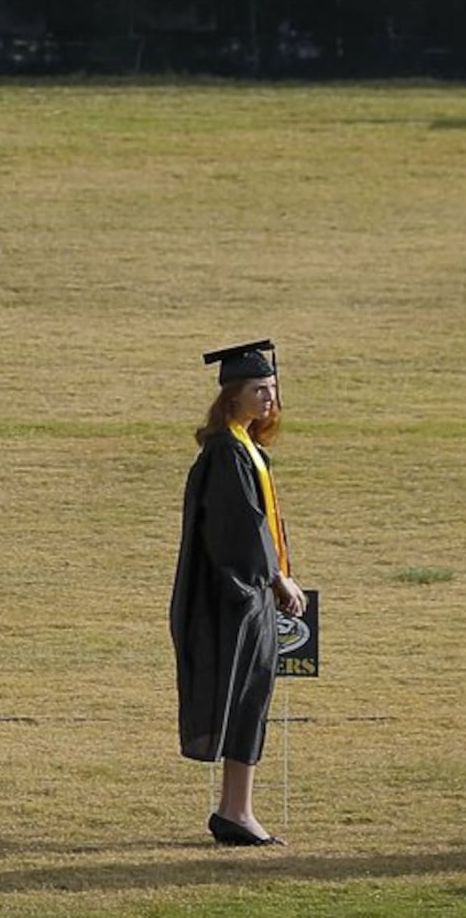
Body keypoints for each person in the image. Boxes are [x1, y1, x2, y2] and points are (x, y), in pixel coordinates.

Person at [173, 338, 302, 847]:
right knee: (244, 698)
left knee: (251, 699)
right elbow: (243, 528)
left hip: (248, 595)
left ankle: (236, 809)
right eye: (258, 389)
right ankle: (236, 812)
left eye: (272, 389)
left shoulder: (245, 447)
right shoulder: (227, 452)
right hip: (238, 598)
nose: (269, 398)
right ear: (232, 395)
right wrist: (276, 579)